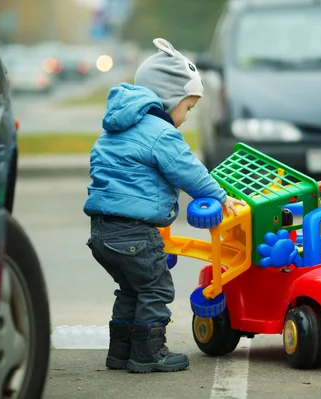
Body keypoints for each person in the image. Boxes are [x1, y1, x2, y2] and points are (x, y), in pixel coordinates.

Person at [83, 38, 244, 373]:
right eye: (187, 108)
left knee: (130, 289)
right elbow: (187, 169)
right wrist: (218, 196)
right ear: (169, 99)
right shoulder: (159, 132)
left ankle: (120, 352)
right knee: (155, 288)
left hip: (101, 233)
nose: (184, 118)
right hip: (135, 232)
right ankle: (148, 354)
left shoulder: (114, 129)